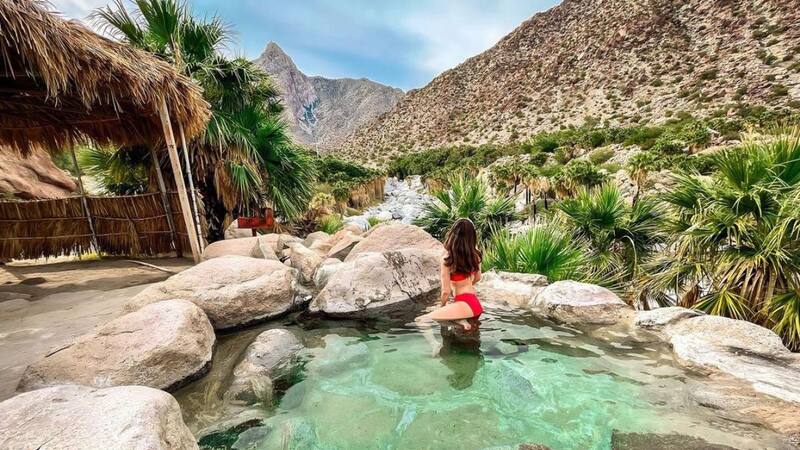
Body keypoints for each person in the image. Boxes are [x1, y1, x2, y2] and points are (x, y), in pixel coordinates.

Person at [415, 218, 484, 332]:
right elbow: (478, 278)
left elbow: (446, 291)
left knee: (421, 320)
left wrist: (442, 305)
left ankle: (435, 345)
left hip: (464, 304)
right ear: (472, 236)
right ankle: (462, 321)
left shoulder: (447, 259)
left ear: (453, 234)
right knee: (448, 314)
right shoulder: (475, 255)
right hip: (474, 303)